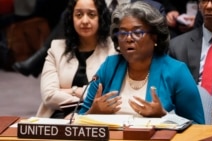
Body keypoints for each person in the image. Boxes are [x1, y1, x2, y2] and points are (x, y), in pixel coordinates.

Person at [77, 1, 205, 124]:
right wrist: (93, 112)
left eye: (137, 32)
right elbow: (79, 120)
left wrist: (164, 116)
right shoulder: (109, 66)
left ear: (155, 36)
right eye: (122, 33)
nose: (128, 38)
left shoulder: (176, 71)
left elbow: (198, 128)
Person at [12, 0, 166, 78]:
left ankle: (37, 59)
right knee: (73, 12)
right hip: (93, 39)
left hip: (117, 46)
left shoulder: (144, 5)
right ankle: (40, 57)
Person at [36, 0, 116, 118]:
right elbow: (48, 95)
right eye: (78, 15)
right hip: (56, 118)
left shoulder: (113, 50)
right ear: (71, 18)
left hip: (97, 119)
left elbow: (109, 95)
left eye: (91, 14)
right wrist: (87, 96)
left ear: (101, 18)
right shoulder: (57, 48)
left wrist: (70, 91)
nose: (84, 21)